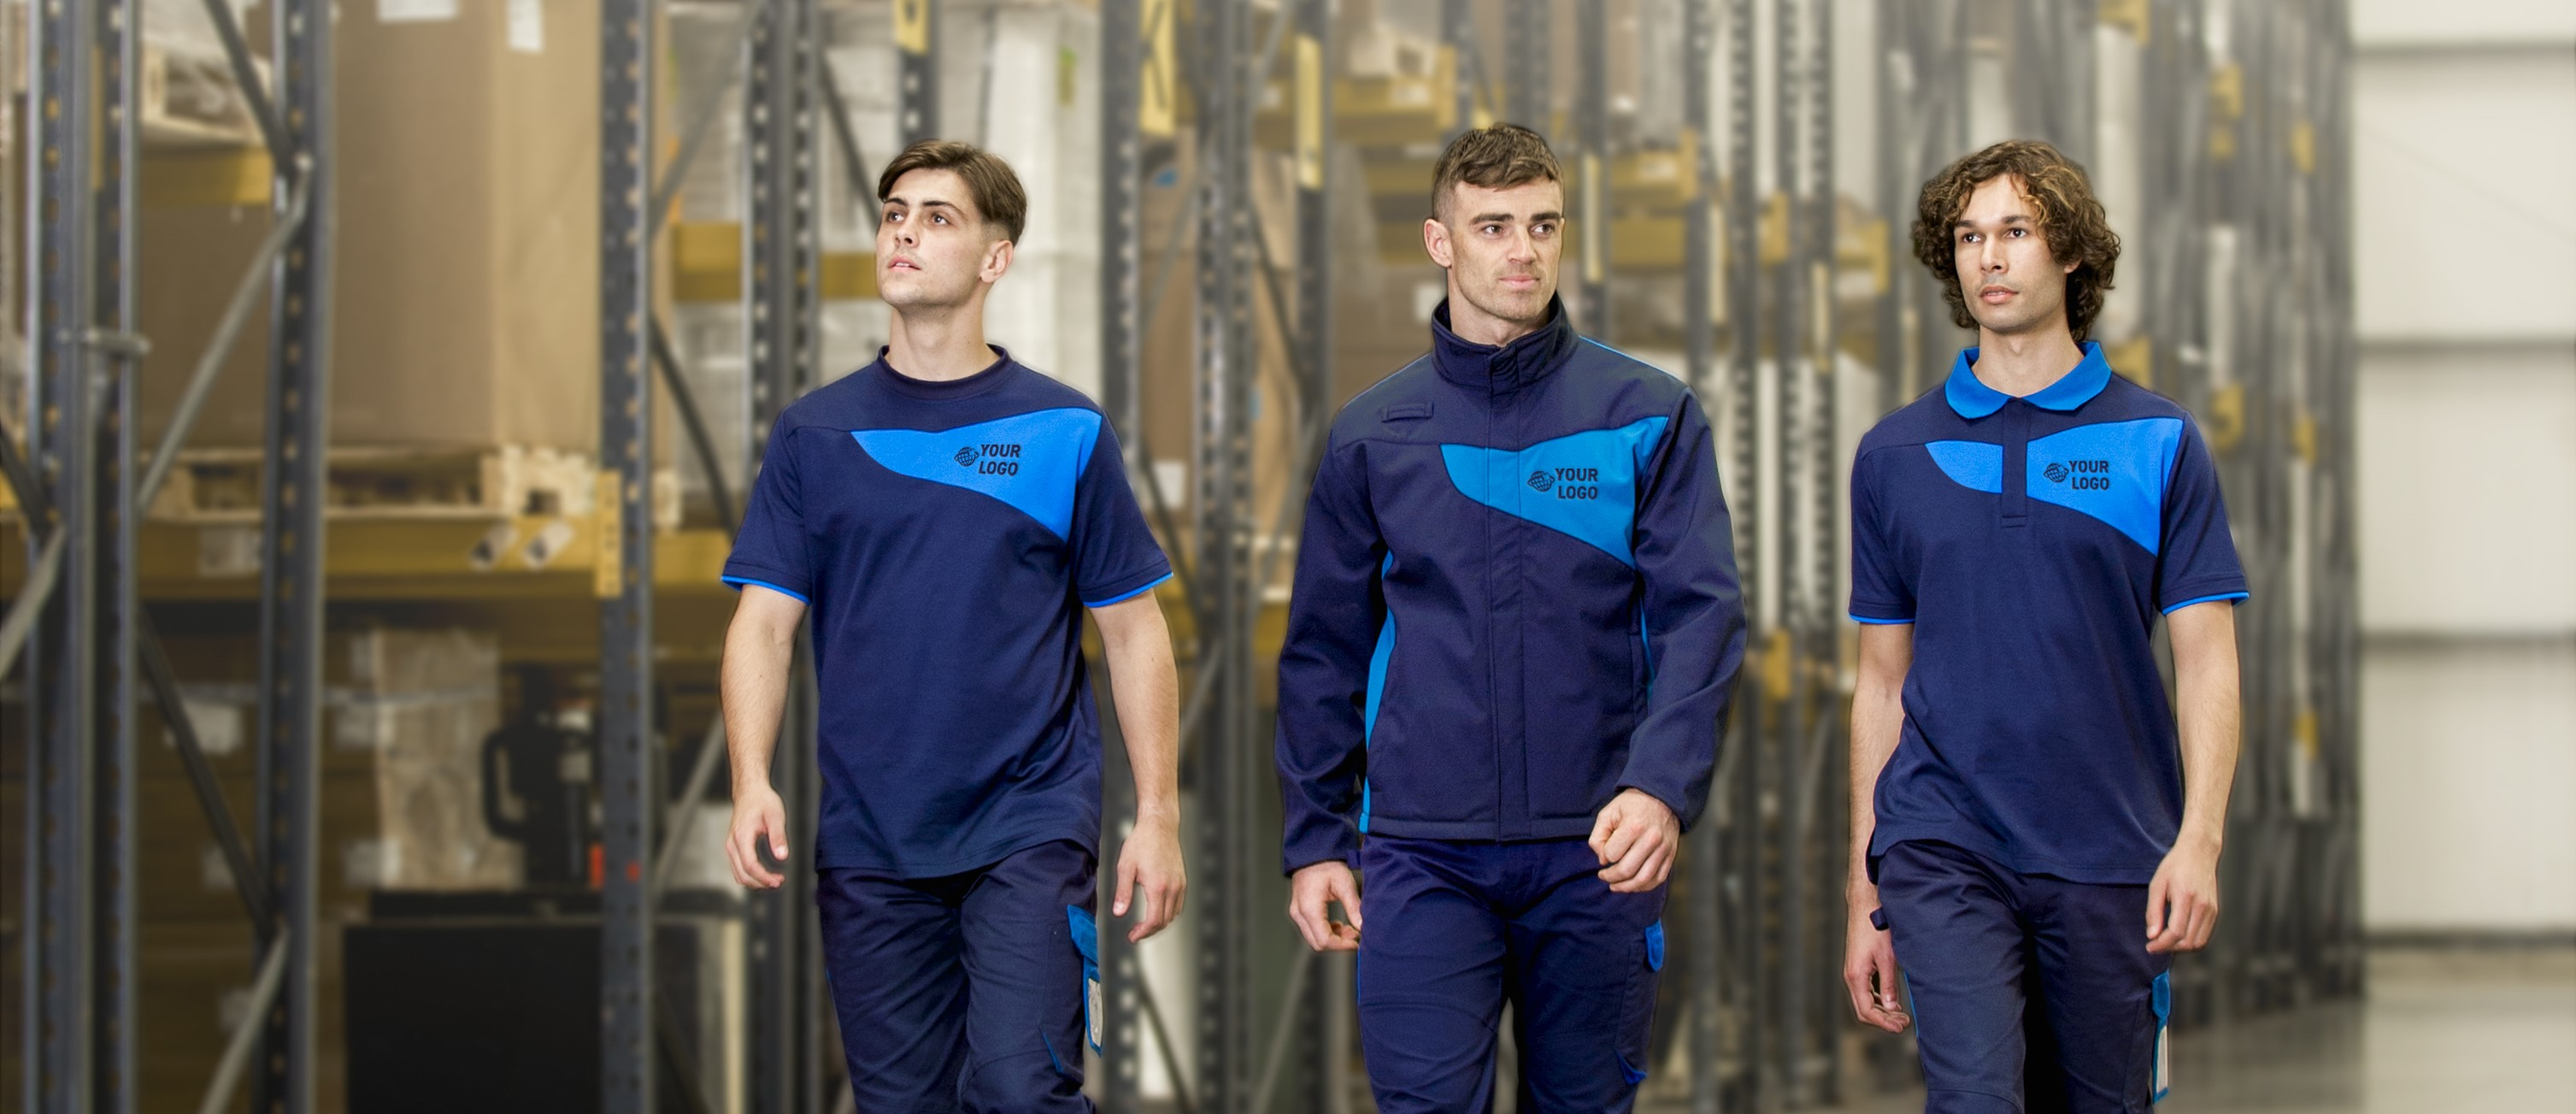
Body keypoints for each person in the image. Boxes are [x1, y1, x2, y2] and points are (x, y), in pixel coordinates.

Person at [1274, 122, 1746, 1112]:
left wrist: (1661, 787)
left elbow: (1700, 616)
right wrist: (1317, 835)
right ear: (1440, 243)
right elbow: (1322, 649)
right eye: (1492, 226)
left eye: (1542, 224)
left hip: (1596, 850)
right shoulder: (1373, 434)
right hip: (1418, 848)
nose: (1522, 250)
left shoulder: (1645, 413)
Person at [718, 139, 1185, 1112]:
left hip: (1028, 820)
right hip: (871, 835)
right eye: (895, 212)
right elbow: (762, 624)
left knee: (1022, 1092)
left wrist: (1158, 815)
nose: (905, 232)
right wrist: (750, 777)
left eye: (938, 217)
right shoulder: (815, 434)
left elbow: (1133, 632)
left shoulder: (1064, 430)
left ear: (994, 257)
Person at [1842, 139, 2247, 1112]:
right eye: (1968, 237)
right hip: (1943, 843)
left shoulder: (2157, 441)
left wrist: (2198, 840)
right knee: (1974, 1097)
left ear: (2068, 250)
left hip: (2109, 850)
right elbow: (1879, 683)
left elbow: (2205, 663)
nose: (1988, 257)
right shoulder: (1894, 453)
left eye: (2014, 231)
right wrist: (1865, 891)